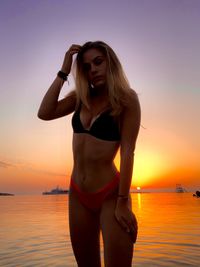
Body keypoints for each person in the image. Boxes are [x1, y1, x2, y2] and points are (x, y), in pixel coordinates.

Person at [38, 41, 141, 267]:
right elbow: (44, 112)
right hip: (78, 193)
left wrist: (123, 201)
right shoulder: (80, 98)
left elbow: (128, 152)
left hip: (111, 196)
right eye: (85, 67)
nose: (92, 69)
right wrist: (64, 71)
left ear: (110, 63)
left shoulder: (127, 99)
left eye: (97, 62)